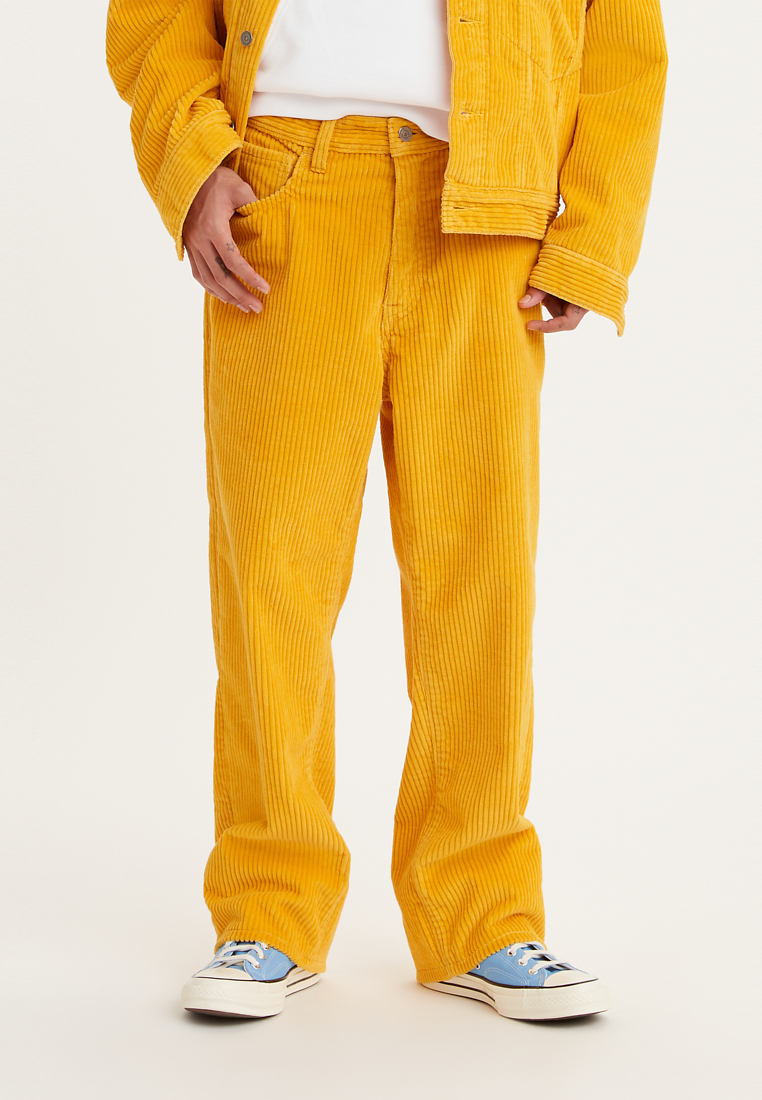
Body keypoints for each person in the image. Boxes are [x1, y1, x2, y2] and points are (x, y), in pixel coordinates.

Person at [106, 0, 667, 1022]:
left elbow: (625, 38)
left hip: (491, 200)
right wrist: (193, 162)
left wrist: (594, 229)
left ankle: (482, 916)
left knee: (481, 576)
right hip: (281, 186)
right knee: (272, 571)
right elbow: (154, 15)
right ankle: (268, 909)